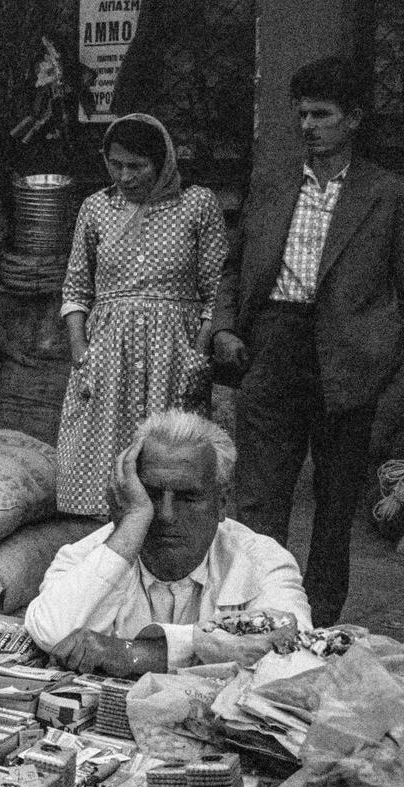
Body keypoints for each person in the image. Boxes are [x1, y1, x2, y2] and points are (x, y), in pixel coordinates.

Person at [211, 57, 404, 628]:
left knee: (334, 506)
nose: (309, 125)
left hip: (352, 361)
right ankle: (254, 613)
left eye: (322, 115)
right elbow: (234, 265)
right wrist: (224, 327)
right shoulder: (273, 183)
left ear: (354, 119)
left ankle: (316, 623)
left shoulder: (388, 194)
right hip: (273, 343)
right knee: (258, 497)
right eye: (302, 114)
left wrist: (387, 371)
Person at [25, 410, 312, 676]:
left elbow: (294, 651)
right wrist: (133, 522)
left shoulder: (262, 561)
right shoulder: (95, 553)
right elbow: (52, 633)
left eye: (188, 498)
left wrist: (139, 653)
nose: (166, 515)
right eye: (150, 495)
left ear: (221, 503)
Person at [56, 113, 229, 518]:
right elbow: (77, 289)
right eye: (115, 164)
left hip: (174, 357)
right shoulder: (96, 208)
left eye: (137, 166)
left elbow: (216, 291)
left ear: (163, 161)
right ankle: (106, 555)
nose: (125, 175)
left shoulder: (196, 205)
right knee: (102, 464)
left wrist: (197, 357)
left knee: (167, 458)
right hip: (108, 358)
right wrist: (83, 354)